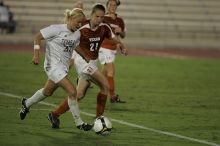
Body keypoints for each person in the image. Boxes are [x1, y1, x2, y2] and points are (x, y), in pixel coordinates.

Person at [47, 3, 127, 129]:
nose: (99, 19)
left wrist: (121, 45)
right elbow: (69, 31)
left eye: (101, 17)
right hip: (83, 62)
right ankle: (99, 118)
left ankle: (54, 114)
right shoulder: (82, 26)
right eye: (97, 17)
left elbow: (112, 38)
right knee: (105, 85)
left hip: (92, 62)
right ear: (92, 15)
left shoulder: (104, 27)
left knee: (78, 95)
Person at [19, 8, 93, 131]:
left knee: (47, 92)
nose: (80, 25)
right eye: (78, 22)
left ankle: (26, 104)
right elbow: (37, 37)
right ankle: (79, 123)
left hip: (62, 68)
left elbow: (75, 45)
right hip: (52, 66)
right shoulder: (56, 29)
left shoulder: (77, 33)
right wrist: (36, 55)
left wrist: (84, 55)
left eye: (82, 23)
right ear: (71, 19)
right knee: (73, 92)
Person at [99, 0, 127, 103]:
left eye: (114, 5)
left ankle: (86, 81)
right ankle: (112, 96)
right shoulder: (103, 18)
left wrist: (121, 32)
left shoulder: (120, 20)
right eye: (110, 4)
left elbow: (123, 36)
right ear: (107, 6)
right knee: (111, 71)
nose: (113, 6)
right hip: (103, 48)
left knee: (103, 73)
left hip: (112, 49)